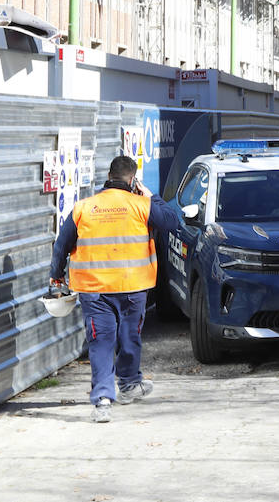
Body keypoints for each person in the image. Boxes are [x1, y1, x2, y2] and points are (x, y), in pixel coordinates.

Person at [49, 155, 178, 423]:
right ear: (133, 180)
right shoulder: (142, 205)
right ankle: (128, 385)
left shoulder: (85, 207)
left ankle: (104, 401)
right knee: (130, 337)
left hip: (94, 290)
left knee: (101, 342)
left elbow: (61, 245)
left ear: (109, 176)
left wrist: (56, 277)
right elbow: (171, 221)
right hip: (133, 287)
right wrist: (152, 197)